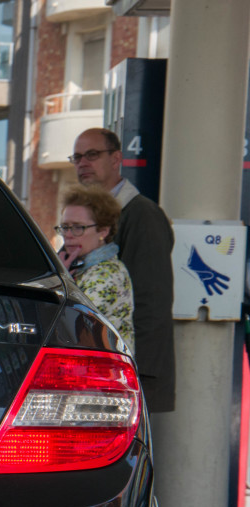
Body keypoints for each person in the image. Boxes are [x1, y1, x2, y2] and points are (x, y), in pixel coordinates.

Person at [72, 128, 175, 412]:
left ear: (116, 158)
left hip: (129, 373)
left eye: (92, 155)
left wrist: (139, 372)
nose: (83, 163)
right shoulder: (87, 218)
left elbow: (151, 301)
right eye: (77, 157)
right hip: (104, 373)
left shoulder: (142, 214)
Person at [57, 184, 134, 351]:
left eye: (78, 227)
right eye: (65, 227)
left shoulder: (107, 273)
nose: (68, 235)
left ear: (103, 231)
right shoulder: (78, 267)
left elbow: (70, 324)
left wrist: (60, 281)